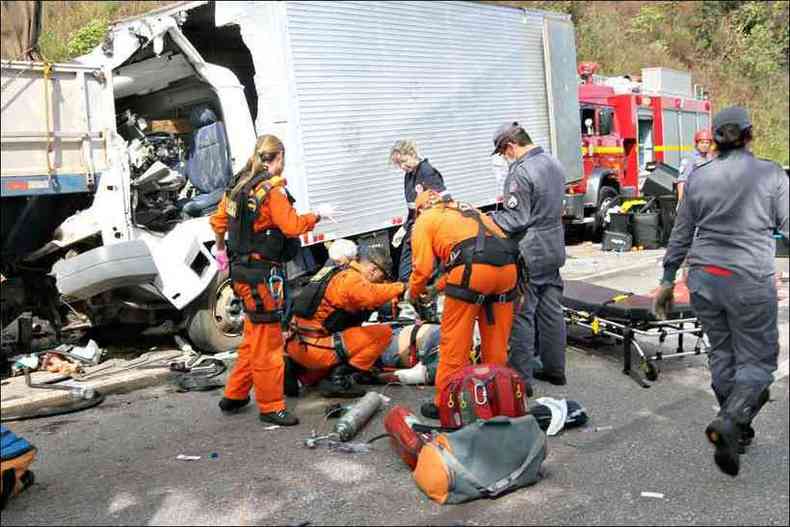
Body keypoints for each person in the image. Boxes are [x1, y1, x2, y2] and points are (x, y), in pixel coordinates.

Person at [654, 107, 788, 477]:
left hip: (704, 279)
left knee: (724, 353)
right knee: (759, 363)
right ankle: (730, 421)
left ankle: (739, 432)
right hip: (748, 279)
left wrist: (667, 280)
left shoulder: (698, 178)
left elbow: (681, 232)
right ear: (749, 135)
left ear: (714, 138)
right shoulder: (771, 174)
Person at [210, 134, 341, 426]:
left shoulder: (238, 186)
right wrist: (317, 214)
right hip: (261, 276)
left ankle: (235, 394)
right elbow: (292, 226)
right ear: (278, 157)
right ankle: (270, 405)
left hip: (240, 272)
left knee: (254, 336)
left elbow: (218, 222)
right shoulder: (271, 191)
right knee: (268, 343)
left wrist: (220, 250)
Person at [408, 190, 519, 419]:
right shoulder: (469, 210)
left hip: (473, 271)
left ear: (420, 208)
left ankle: (446, 403)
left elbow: (422, 268)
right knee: (497, 342)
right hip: (507, 269)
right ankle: (498, 396)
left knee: (454, 343)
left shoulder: (425, 219)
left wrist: (413, 292)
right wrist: (437, 288)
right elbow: (470, 252)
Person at [490, 122, 568, 392]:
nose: (504, 158)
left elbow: (515, 219)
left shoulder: (520, 172)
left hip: (530, 251)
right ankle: (555, 369)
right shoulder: (554, 163)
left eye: (503, 153)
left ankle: (521, 381)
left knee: (522, 314)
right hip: (554, 246)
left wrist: (487, 218)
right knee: (552, 310)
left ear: (511, 146)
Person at [286, 247, 406, 397]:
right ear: (373, 270)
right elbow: (371, 296)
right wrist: (401, 287)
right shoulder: (351, 279)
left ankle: (298, 369)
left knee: (352, 328)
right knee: (383, 333)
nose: (381, 282)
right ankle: (337, 380)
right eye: (382, 278)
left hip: (297, 344)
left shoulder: (336, 272)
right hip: (315, 349)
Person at [389, 140, 448, 282]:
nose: (402, 167)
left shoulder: (427, 172)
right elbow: (411, 208)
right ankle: (407, 293)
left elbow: (445, 203)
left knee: (427, 272)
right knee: (405, 271)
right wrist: (403, 229)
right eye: (398, 164)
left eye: (403, 161)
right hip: (414, 228)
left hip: (430, 230)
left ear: (412, 154)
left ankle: (426, 299)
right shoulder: (408, 176)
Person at [677, 129, 712, 202]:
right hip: (694, 198)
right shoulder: (689, 158)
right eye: (702, 143)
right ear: (697, 143)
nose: (705, 145)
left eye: (707, 143)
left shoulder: (710, 158)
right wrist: (681, 202)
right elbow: (682, 181)